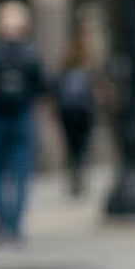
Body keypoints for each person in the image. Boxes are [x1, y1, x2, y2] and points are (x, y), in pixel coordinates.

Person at [0, 2, 47, 245]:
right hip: (21, 116)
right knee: (21, 173)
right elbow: (42, 86)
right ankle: (15, 226)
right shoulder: (31, 53)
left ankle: (1, 224)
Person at [52, 35, 99, 197]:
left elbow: (55, 89)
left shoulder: (65, 69)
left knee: (72, 147)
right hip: (82, 113)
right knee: (81, 147)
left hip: (69, 113)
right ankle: (78, 176)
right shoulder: (87, 70)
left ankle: (75, 176)